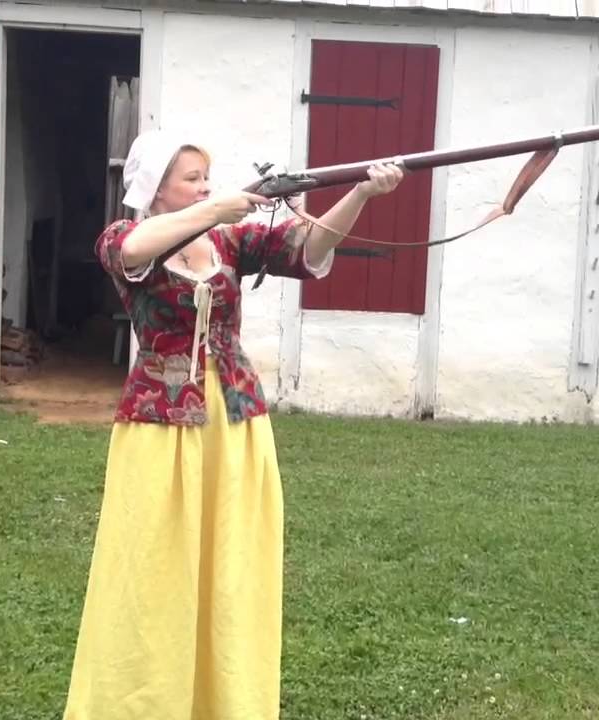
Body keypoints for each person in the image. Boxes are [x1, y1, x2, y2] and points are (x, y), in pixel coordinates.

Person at [61, 129, 403, 720]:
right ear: (155, 188)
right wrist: (214, 207)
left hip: (236, 419)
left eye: (205, 177)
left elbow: (307, 248)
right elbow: (134, 251)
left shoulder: (228, 239)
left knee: (232, 566)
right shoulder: (123, 237)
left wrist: (362, 194)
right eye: (190, 178)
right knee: (152, 568)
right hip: (160, 427)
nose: (204, 186)